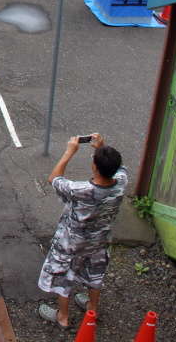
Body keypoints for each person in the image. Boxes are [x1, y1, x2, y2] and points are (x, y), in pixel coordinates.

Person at [37, 133, 128, 329]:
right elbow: (119, 169)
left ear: (94, 166)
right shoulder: (121, 182)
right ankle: (92, 309)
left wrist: (69, 152)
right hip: (99, 241)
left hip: (71, 243)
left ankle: (63, 316)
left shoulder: (80, 190)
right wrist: (101, 149)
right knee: (95, 274)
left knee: (65, 276)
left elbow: (53, 178)